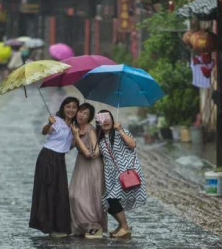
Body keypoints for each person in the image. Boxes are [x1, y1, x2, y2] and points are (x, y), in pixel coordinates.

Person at [29, 97, 80, 237]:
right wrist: (48, 123)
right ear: (63, 108)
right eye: (68, 107)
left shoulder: (74, 126)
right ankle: (48, 226)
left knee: (60, 192)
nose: (71, 110)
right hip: (47, 157)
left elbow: (69, 146)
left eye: (74, 107)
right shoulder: (57, 120)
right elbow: (45, 132)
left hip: (60, 160)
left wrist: (76, 136)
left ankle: (59, 227)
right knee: (49, 191)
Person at [96, 110, 146, 238]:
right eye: (101, 119)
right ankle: (121, 225)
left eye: (107, 118)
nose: (105, 121)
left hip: (126, 171)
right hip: (111, 175)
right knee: (107, 202)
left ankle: (125, 227)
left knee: (112, 199)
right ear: (98, 122)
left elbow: (133, 144)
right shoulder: (100, 139)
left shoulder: (120, 133)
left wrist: (120, 130)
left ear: (112, 119)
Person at [69, 103, 107, 239]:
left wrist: (78, 138)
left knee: (90, 197)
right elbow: (70, 146)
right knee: (74, 195)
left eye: (85, 113)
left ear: (90, 117)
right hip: (81, 165)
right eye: (80, 112)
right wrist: (75, 135)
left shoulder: (91, 130)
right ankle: (82, 226)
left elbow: (93, 152)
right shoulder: (76, 128)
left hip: (92, 165)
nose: (81, 115)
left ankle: (95, 227)